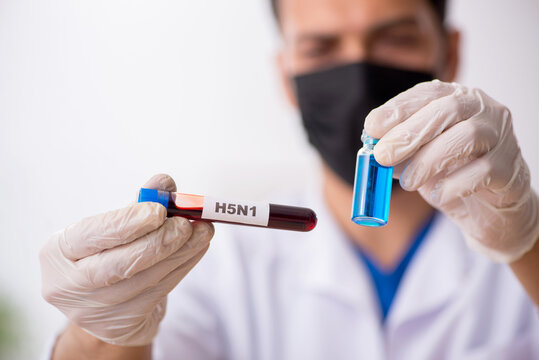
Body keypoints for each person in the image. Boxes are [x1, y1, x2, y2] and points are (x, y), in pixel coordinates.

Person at [40, 0, 539, 359]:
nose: (359, 75)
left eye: (395, 38)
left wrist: (526, 244)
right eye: (322, 47)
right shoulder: (219, 269)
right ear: (286, 76)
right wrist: (98, 333)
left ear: (449, 53)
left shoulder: (523, 242)